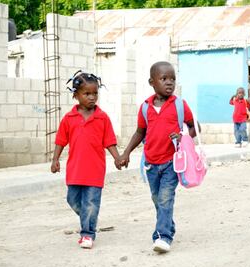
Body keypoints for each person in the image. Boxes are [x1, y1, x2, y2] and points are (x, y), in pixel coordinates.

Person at [120, 61, 197, 253]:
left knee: (165, 198)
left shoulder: (180, 105)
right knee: (157, 199)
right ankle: (168, 226)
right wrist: (126, 152)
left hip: (172, 162)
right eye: (164, 79)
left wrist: (183, 136)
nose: (169, 83)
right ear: (152, 82)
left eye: (172, 79)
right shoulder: (145, 107)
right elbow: (139, 132)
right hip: (151, 164)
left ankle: (163, 236)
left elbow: (195, 127)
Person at [51, 71, 122, 249]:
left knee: (91, 203)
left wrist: (117, 158)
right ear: (76, 95)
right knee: (73, 200)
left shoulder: (102, 117)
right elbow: (60, 140)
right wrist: (55, 160)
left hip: (95, 171)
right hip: (75, 170)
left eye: (95, 93)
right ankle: (89, 218)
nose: (92, 97)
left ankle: (87, 233)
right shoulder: (69, 118)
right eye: (87, 93)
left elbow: (110, 142)